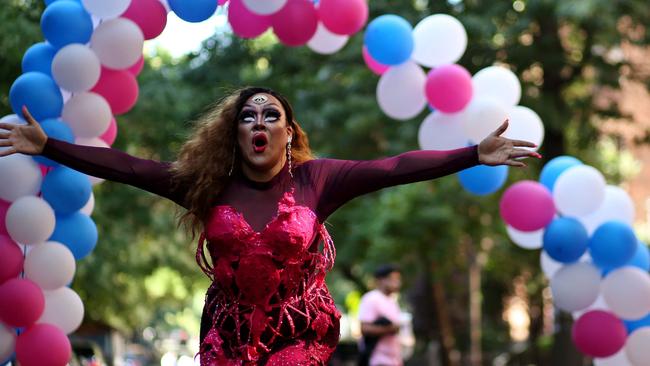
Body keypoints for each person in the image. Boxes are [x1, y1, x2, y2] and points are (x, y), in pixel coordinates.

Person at [0, 86, 540, 365]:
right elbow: (127, 166)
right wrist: (46, 145)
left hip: (299, 333)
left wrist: (472, 154)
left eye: (270, 115)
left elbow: (394, 167)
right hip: (228, 336)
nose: (258, 122)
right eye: (247, 117)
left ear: (288, 131)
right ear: (234, 135)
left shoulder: (319, 180)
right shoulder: (204, 185)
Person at [358, 264, 403, 366]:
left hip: (394, 359)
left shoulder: (392, 301)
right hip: (378, 359)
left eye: (398, 279)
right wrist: (390, 329)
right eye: (393, 279)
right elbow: (364, 328)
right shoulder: (371, 299)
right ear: (381, 280)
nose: (397, 282)